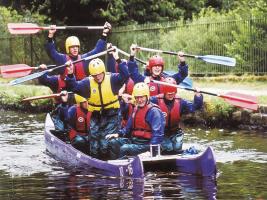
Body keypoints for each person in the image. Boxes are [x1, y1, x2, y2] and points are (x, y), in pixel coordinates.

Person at [65, 48, 129, 159]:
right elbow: (73, 87)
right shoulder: (87, 83)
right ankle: (94, 162)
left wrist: (117, 59)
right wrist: (70, 73)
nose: (98, 77)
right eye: (95, 75)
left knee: (106, 143)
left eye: (100, 74)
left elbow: (125, 75)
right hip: (96, 115)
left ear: (103, 71)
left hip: (112, 114)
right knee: (94, 143)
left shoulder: (112, 79)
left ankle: (111, 161)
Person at [106, 82, 165, 159]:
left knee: (125, 148)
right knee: (112, 142)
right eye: (137, 97)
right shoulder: (136, 109)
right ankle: (114, 164)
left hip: (147, 144)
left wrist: (152, 151)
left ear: (147, 96)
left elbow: (158, 134)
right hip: (135, 141)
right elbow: (127, 128)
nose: (139, 100)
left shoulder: (154, 111)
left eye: (142, 97)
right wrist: (118, 134)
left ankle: (121, 164)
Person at [150, 77, 203, 154]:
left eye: (172, 93)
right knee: (169, 149)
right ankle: (161, 148)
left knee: (177, 149)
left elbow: (194, 107)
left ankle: (177, 151)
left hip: (175, 132)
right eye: (168, 93)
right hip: (161, 133)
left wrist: (198, 96)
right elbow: (143, 101)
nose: (171, 95)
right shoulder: (155, 100)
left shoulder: (181, 102)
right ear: (164, 92)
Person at [45, 22, 112, 80]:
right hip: (67, 91)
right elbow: (51, 51)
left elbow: (98, 50)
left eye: (76, 47)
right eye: (72, 47)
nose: (75, 49)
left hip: (81, 91)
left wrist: (104, 33)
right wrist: (50, 34)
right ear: (68, 48)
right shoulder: (62, 59)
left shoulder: (84, 59)